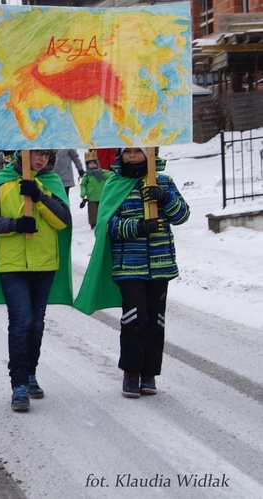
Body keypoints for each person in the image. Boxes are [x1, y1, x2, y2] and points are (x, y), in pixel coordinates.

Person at [74, 147, 190, 398]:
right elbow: (106, 226)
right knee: (135, 320)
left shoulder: (164, 182)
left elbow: (182, 215)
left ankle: (149, 374)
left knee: (155, 322)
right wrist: (137, 226)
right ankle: (131, 372)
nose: (134, 157)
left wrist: (164, 198)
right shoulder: (114, 184)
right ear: (121, 155)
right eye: (128, 152)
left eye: (139, 151)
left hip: (160, 264)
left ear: (149, 154)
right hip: (129, 266)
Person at [0, 149, 72, 412]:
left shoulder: (50, 183)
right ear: (21, 154)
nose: (41, 160)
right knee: (21, 321)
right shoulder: (1, 182)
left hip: (44, 263)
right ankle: (18, 384)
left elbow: (63, 221)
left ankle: (30, 374)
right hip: (12, 264)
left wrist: (39, 198)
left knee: (36, 323)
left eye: (46, 156)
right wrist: (15, 225)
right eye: (37, 154)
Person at [79, 150, 114, 230]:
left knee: (102, 210)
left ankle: (104, 222)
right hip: (91, 197)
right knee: (92, 212)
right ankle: (93, 224)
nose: (92, 165)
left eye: (94, 163)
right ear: (87, 165)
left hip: (102, 196)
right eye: (90, 163)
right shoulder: (86, 176)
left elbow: (111, 175)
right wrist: (83, 194)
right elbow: (83, 185)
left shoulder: (102, 173)